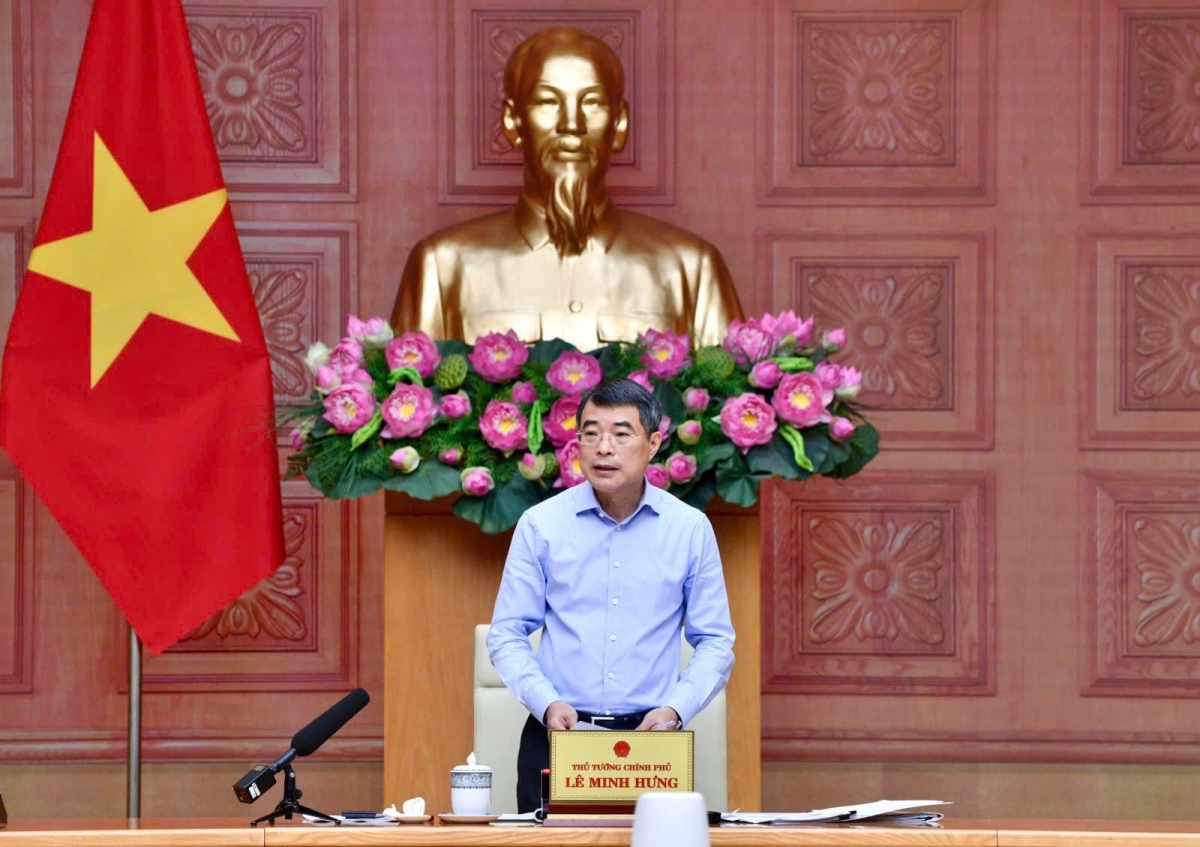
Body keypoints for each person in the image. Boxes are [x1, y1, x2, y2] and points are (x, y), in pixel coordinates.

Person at [392, 26, 744, 353]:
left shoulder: (691, 268)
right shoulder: (443, 266)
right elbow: (408, 399)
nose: (571, 124)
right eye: (547, 102)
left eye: (592, 103)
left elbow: (726, 406)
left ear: (619, 124)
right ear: (513, 123)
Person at [487, 378, 736, 813]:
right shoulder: (540, 525)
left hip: (651, 745)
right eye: (590, 433)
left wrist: (676, 710)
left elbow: (716, 641)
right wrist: (546, 702)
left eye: (621, 434)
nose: (603, 447)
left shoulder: (689, 529)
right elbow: (507, 635)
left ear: (654, 443)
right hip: (556, 737)